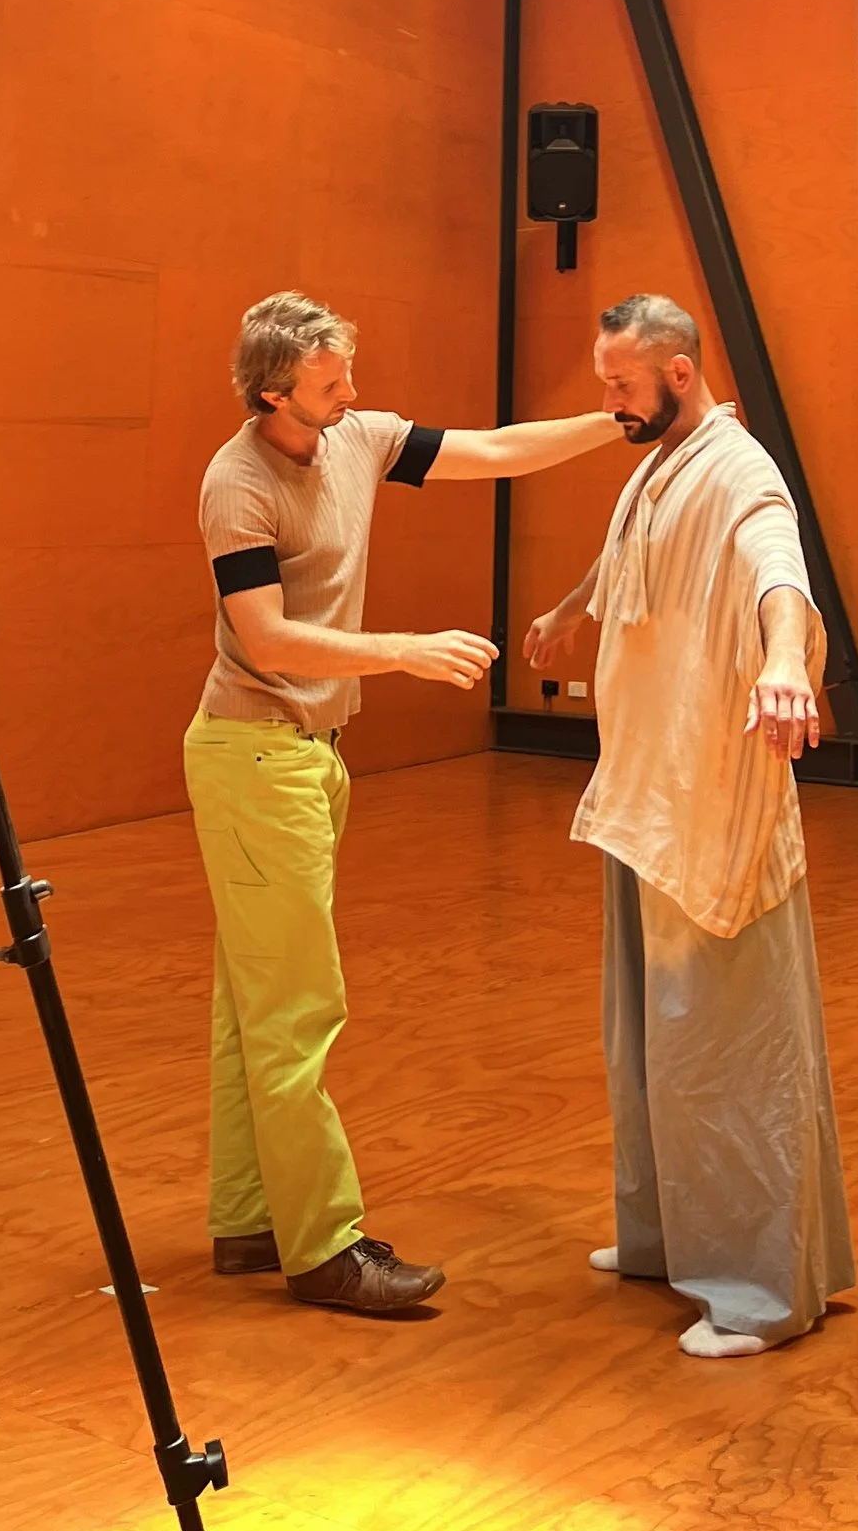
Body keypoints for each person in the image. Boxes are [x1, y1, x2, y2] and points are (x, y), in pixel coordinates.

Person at [191, 289, 620, 1317]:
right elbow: (268, 642)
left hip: (307, 756)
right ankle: (326, 1248)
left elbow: (497, 449)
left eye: (348, 374)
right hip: (254, 756)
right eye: (330, 382)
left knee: (252, 1006)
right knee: (297, 1009)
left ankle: (253, 1220)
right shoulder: (236, 483)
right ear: (271, 395)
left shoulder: (360, 438)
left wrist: (619, 421)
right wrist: (403, 652)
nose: (354, 392)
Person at [523, 291, 853, 1360]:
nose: (609, 401)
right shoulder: (658, 461)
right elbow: (632, 553)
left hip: (712, 803)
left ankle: (759, 1292)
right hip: (643, 794)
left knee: (725, 1049)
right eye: (602, 382)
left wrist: (781, 662)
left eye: (622, 384)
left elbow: (777, 569)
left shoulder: (739, 469)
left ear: (675, 372)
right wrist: (573, 608)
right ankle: (665, 1235)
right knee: (649, 1040)